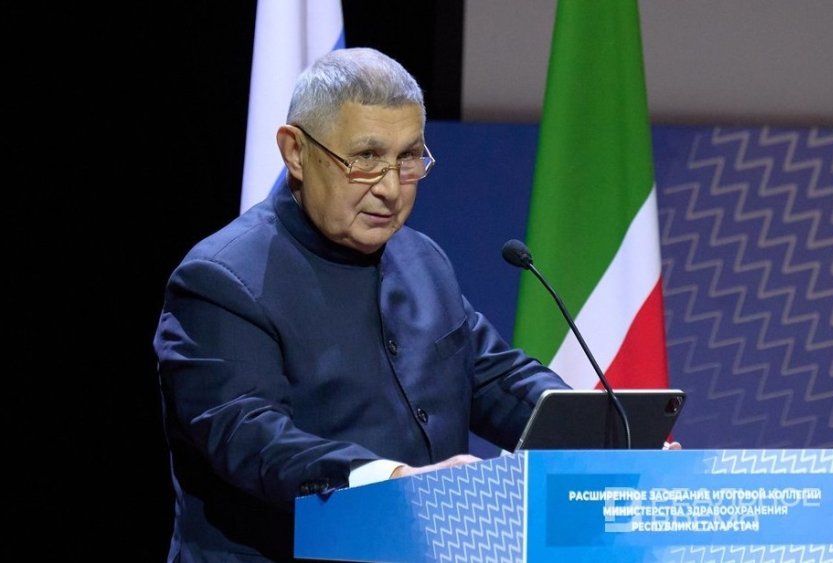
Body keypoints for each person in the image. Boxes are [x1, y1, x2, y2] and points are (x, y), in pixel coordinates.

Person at [153, 47, 674, 562]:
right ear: (295, 152)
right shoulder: (221, 281)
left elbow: (493, 377)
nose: (389, 188)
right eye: (365, 158)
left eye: (408, 158)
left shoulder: (421, 258)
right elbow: (251, 438)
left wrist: (606, 436)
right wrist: (397, 481)